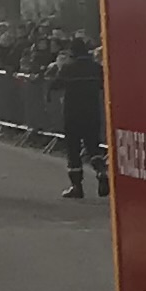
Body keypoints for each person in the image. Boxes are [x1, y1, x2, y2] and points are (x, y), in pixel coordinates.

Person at [55, 32, 109, 199]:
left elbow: (55, 85)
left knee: (73, 149)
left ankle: (76, 186)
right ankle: (101, 172)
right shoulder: (96, 68)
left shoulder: (68, 68)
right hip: (92, 111)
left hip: (72, 113)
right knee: (93, 146)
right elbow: (103, 85)